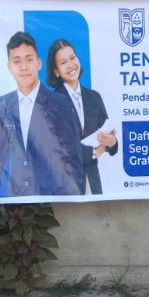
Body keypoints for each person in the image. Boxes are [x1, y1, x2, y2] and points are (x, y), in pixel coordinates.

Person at [0, 32, 85, 198]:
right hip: (16, 199)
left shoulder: (60, 103)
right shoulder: (3, 104)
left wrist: (72, 199)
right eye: (17, 61)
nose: (23, 67)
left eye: (29, 59)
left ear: (39, 63)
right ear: (9, 67)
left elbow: (73, 159)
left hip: (52, 198)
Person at [47, 39, 118, 195]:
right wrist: (92, 152)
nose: (71, 64)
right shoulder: (52, 103)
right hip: (65, 183)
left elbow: (108, 139)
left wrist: (111, 142)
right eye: (63, 62)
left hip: (93, 182)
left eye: (73, 58)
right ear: (56, 71)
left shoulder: (94, 97)